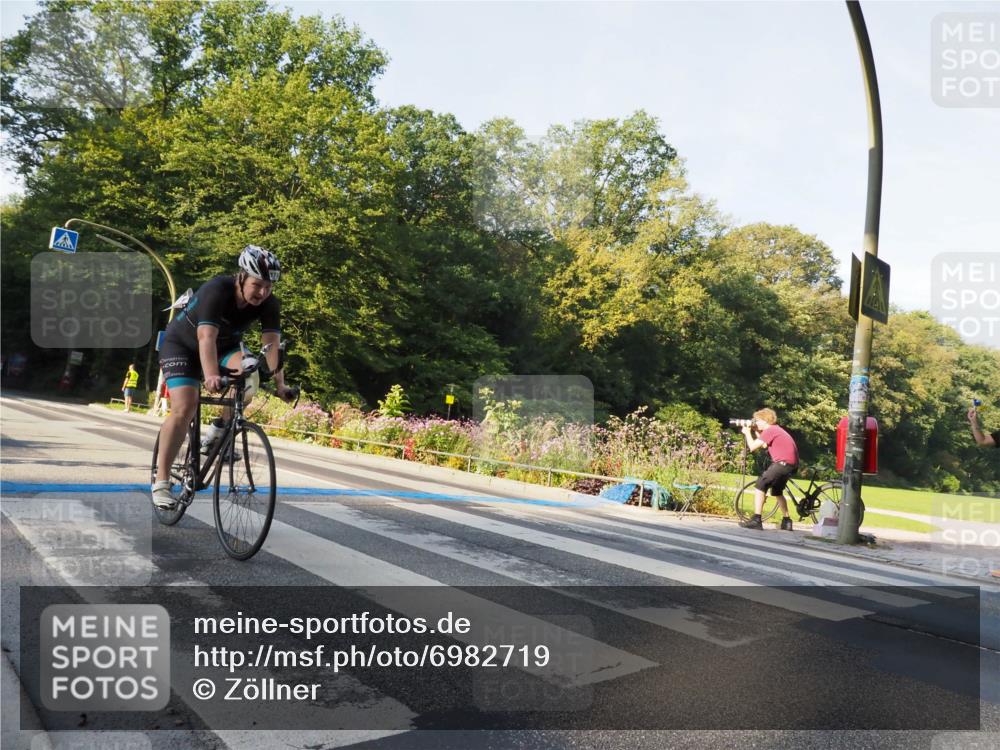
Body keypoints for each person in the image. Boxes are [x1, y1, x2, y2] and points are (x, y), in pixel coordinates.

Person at [151, 245, 296, 510]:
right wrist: (210, 376)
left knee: (250, 374)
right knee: (185, 407)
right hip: (183, 345)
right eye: (257, 285)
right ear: (242, 277)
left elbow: (272, 346)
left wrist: (280, 384)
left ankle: (216, 434)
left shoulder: (269, 303)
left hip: (225, 347)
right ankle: (161, 482)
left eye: (268, 287)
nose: (263, 293)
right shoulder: (217, 289)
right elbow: (206, 337)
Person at [738, 408, 799, 531]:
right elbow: (765, 445)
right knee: (777, 491)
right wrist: (756, 432)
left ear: (765, 421)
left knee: (760, 484)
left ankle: (756, 520)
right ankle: (787, 521)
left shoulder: (770, 430)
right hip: (790, 465)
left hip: (781, 463)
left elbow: (753, 447)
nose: (756, 422)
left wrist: (747, 433)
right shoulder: (775, 429)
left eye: (758, 421)